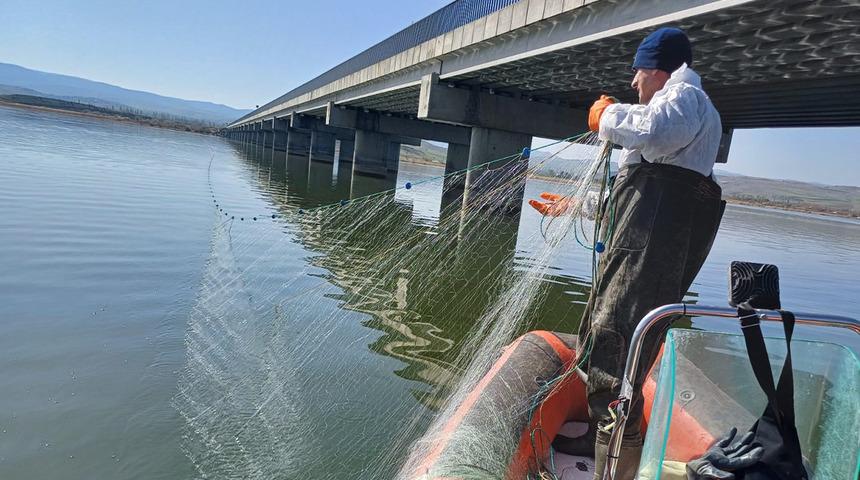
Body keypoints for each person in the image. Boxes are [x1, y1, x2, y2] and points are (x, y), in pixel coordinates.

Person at [529, 27, 726, 479]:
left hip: (647, 257)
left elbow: (655, 131)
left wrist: (607, 115)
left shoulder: (685, 99)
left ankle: (614, 465)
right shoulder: (678, 129)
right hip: (638, 249)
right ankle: (600, 436)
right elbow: (633, 202)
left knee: (617, 348)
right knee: (606, 339)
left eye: (638, 72)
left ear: (659, 70)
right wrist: (574, 205)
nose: (634, 82)